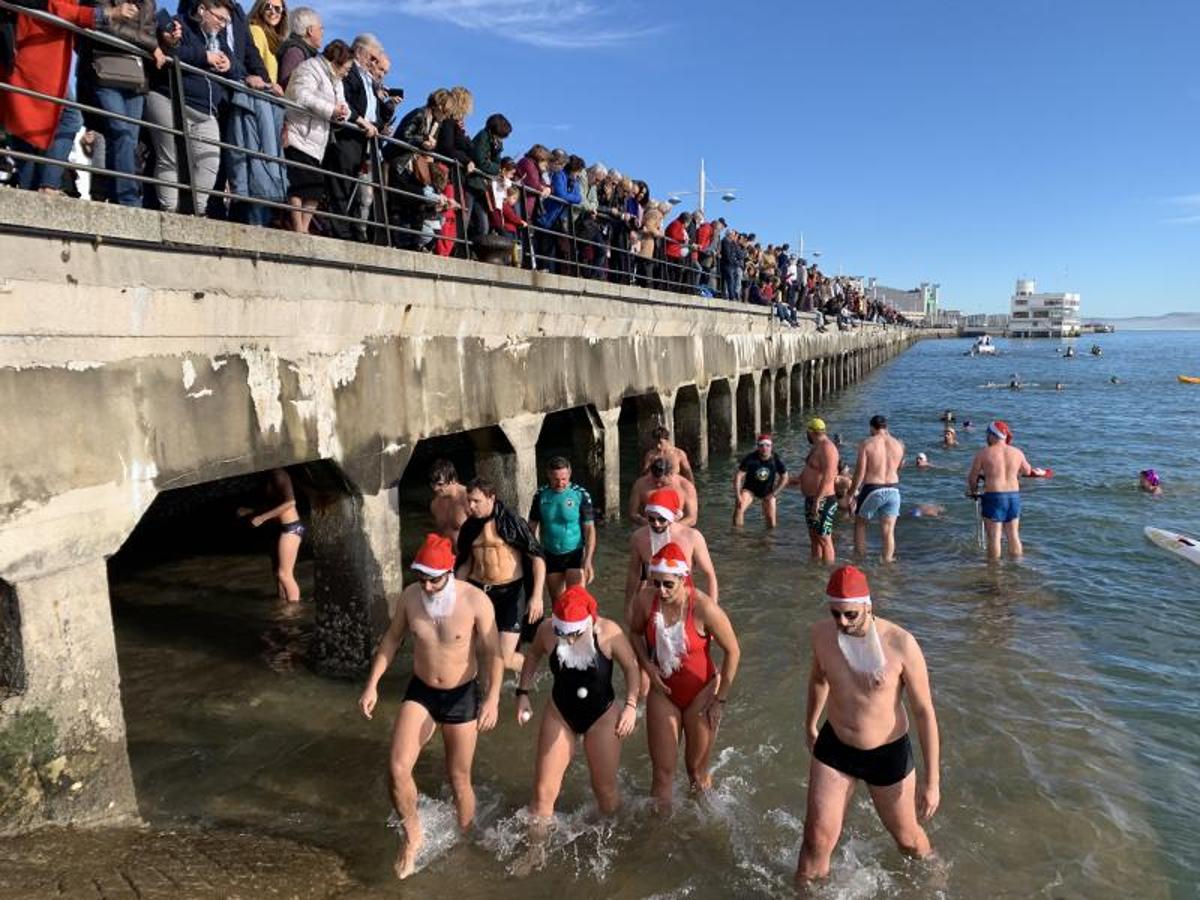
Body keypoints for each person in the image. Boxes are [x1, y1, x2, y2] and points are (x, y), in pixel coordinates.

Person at [357, 534, 501, 880]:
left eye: (434, 579)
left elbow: (493, 653)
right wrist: (373, 683)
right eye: (422, 577)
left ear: (450, 571)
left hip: (462, 694)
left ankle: (465, 841)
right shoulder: (411, 596)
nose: (428, 586)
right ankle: (413, 837)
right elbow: (392, 639)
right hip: (421, 691)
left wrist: (493, 698)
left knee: (458, 778)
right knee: (397, 767)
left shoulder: (475, 601)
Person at [796, 565, 939, 882]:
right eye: (835, 614)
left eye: (850, 615)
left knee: (909, 842)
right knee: (814, 845)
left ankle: (935, 881)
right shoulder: (821, 635)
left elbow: (924, 712)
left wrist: (933, 782)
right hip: (835, 747)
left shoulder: (901, 644)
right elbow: (818, 680)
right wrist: (810, 724)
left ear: (868, 606)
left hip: (886, 755)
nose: (842, 623)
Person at [515, 586, 640, 832]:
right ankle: (534, 853)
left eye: (574, 634)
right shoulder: (547, 630)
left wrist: (631, 706)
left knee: (605, 792)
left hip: (602, 716)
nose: (569, 640)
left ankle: (618, 842)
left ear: (589, 622)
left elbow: (632, 667)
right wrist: (522, 694)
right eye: (563, 633)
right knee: (542, 795)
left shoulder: (608, 632)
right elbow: (532, 658)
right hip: (560, 713)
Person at [627, 544, 739, 811]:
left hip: (701, 693)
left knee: (696, 774)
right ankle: (659, 839)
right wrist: (646, 665)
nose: (662, 591)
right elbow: (634, 633)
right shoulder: (646, 599)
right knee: (662, 775)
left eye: (668, 584)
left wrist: (719, 700)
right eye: (657, 583)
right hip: (663, 690)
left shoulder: (703, 607)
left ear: (683, 578)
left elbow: (733, 651)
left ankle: (703, 832)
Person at [455, 477, 546, 672]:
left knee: (504, 658)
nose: (471, 506)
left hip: (510, 593)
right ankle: (483, 696)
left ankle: (533, 675)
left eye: (476, 501)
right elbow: (464, 564)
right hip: (479, 591)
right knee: (475, 651)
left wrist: (537, 596)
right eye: (469, 500)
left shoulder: (511, 522)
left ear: (491, 498)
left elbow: (538, 558)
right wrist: (455, 596)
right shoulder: (469, 527)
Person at [624, 488, 718, 615]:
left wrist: (712, 610)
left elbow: (709, 575)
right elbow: (634, 574)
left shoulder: (692, 537)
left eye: (662, 519)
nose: (656, 524)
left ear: (673, 516)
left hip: (684, 600)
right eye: (651, 519)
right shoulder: (639, 538)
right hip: (653, 599)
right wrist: (629, 606)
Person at [528, 457, 596, 599]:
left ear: (569, 473)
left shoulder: (580, 494)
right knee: (558, 605)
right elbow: (531, 528)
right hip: (550, 553)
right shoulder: (540, 495)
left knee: (576, 601)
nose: (560, 483)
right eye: (556, 479)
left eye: (564, 479)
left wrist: (588, 560)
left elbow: (589, 530)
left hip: (574, 553)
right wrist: (533, 555)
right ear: (548, 475)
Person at [966, 420, 1032, 560]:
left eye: (987, 434)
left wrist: (973, 491)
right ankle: (1017, 564)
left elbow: (972, 477)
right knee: (1013, 535)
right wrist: (1012, 474)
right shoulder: (1017, 452)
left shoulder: (984, 453)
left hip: (995, 497)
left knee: (995, 537)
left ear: (992, 435)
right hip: (1013, 496)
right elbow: (1027, 470)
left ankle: (994, 571)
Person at [237, 467, 303, 602]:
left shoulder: (278, 473)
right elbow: (274, 504)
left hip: (291, 529)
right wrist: (250, 511)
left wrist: (262, 518)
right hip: (281, 528)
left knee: (284, 574)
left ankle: (294, 612)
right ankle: (283, 607)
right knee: (277, 574)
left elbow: (290, 502)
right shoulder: (269, 475)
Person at [849, 415, 904, 562]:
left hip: (873, 488)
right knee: (888, 531)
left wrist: (851, 493)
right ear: (886, 427)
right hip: (893, 489)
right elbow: (899, 467)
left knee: (860, 525)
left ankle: (859, 560)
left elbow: (859, 473)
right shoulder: (898, 444)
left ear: (872, 428)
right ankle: (887, 563)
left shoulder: (867, 443)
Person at [793, 417, 839, 562]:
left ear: (810, 432)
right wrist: (792, 480)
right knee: (814, 537)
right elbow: (810, 470)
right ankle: (815, 571)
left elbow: (829, 476)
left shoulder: (827, 447)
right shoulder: (816, 446)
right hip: (812, 498)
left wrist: (818, 500)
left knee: (824, 538)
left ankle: (828, 572)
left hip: (823, 499)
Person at [733, 433, 787, 527]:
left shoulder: (775, 459)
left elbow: (785, 477)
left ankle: (769, 539)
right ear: (758, 447)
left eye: (767, 445)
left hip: (767, 491)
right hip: (750, 490)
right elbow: (738, 476)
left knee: (772, 522)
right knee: (739, 508)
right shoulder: (750, 458)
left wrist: (774, 493)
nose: (764, 448)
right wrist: (738, 496)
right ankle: (738, 537)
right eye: (761, 445)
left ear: (771, 446)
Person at [628, 456, 698, 527]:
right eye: (655, 482)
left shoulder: (686, 486)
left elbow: (692, 519)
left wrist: (668, 528)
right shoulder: (640, 484)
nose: (658, 485)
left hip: (676, 530)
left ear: (671, 474)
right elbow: (633, 514)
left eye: (662, 482)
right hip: (648, 527)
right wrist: (651, 525)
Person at [275, 5, 320, 89]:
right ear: (310, 30)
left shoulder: (305, 52)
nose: (322, 33)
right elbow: (288, 86)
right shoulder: (295, 53)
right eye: (320, 28)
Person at [428, 459, 470, 544]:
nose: (435, 488)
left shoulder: (469, 499)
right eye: (433, 484)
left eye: (440, 484)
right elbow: (440, 534)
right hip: (447, 555)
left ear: (453, 480)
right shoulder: (435, 504)